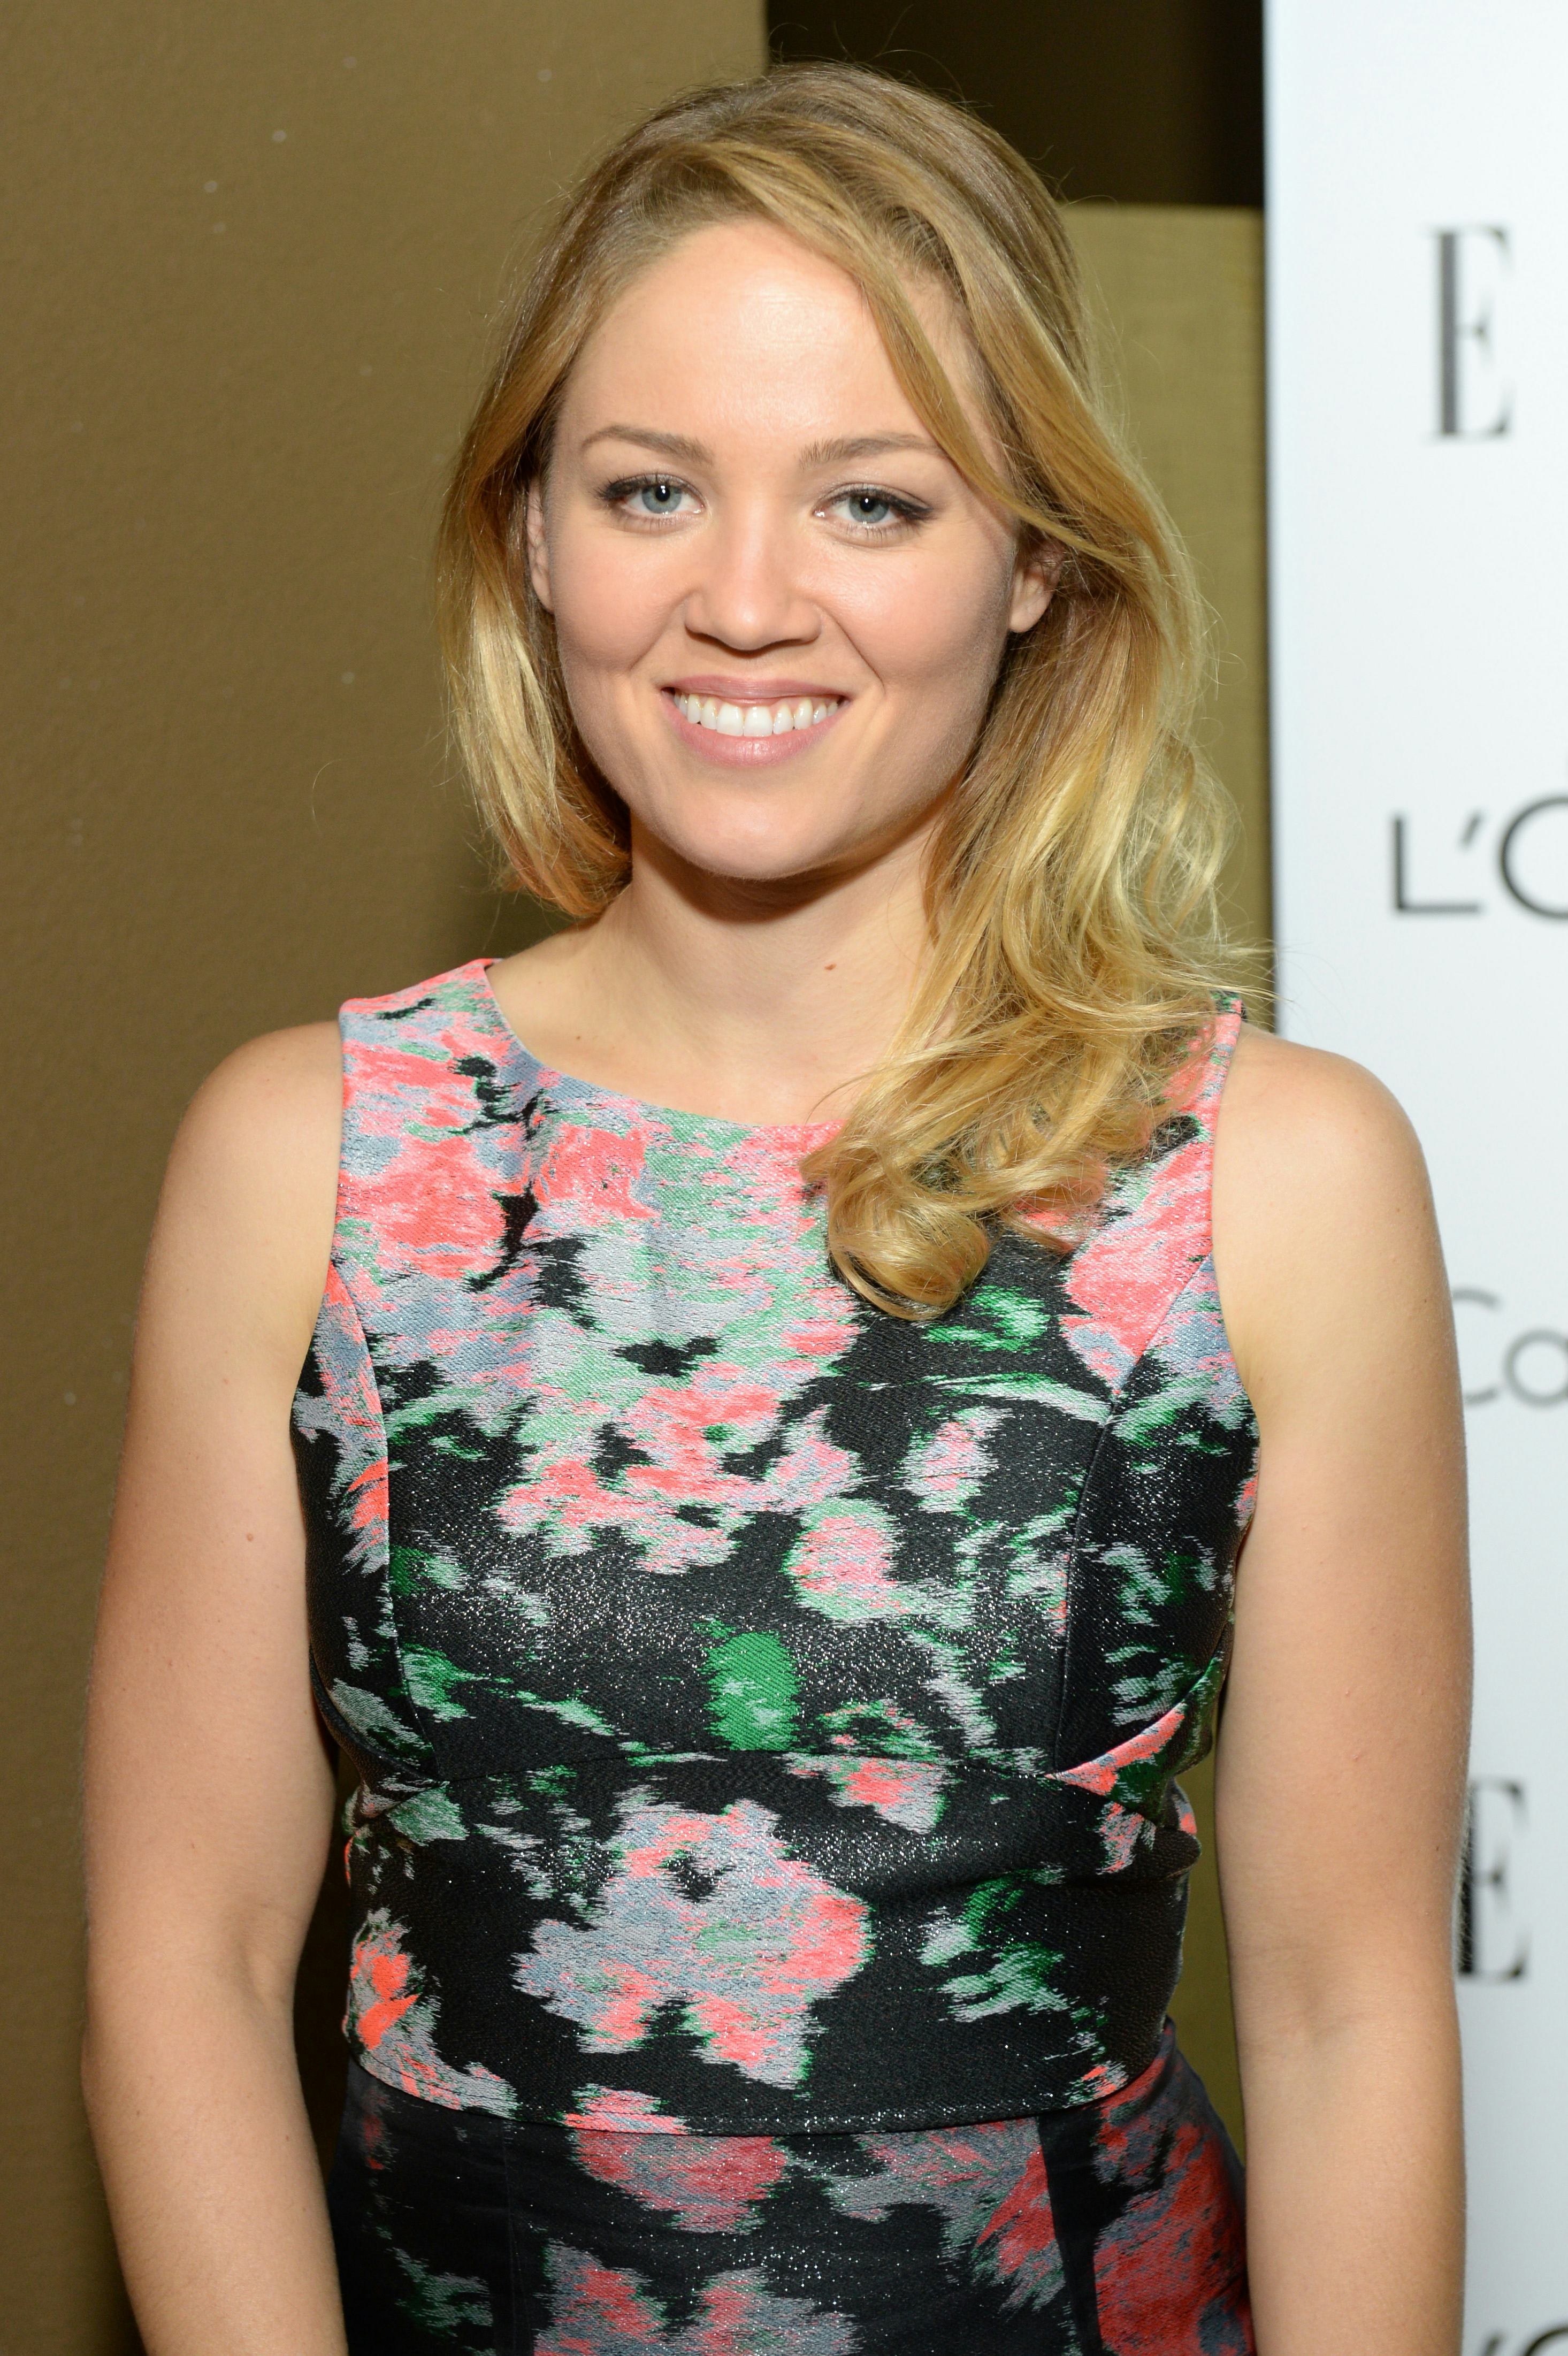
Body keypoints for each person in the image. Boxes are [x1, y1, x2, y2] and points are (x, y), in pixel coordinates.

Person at [82, 63, 1470, 2356]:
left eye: (870, 501)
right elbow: (184, 1960)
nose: (742, 602)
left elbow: (1345, 2015)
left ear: (1032, 561)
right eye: (652, 489)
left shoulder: (1271, 1180)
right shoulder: (311, 1154)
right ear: (535, 537)